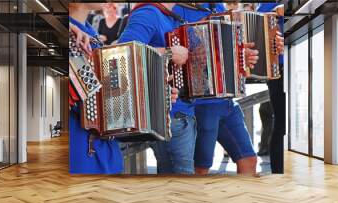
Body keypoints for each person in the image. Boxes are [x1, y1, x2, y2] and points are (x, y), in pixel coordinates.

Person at [173, 3, 260, 175]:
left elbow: (230, 47)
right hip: (201, 104)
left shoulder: (218, 6)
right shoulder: (177, 9)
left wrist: (243, 56)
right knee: (201, 168)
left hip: (227, 102)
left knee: (249, 159)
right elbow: (178, 52)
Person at [118, 3, 195, 174]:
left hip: (181, 114)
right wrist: (168, 52)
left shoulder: (169, 15)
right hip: (168, 117)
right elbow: (122, 53)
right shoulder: (147, 13)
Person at [69, 3, 123, 174]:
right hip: (84, 155)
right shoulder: (71, 37)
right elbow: (89, 96)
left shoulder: (90, 34)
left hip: (105, 153)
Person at [257, 3, 285, 173]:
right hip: (278, 69)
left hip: (300, 61)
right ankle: (278, 174)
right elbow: (257, 19)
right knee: (281, 124)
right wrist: (276, 11)